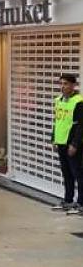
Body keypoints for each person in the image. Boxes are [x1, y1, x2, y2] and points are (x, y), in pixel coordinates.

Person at [52, 74, 83, 212]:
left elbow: (80, 125)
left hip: (72, 145)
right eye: (61, 83)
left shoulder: (79, 101)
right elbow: (57, 121)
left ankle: (81, 203)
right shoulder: (58, 100)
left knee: (78, 173)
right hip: (61, 142)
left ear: (73, 85)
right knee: (66, 173)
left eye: (66, 84)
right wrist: (53, 138)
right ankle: (68, 200)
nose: (63, 86)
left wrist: (75, 144)